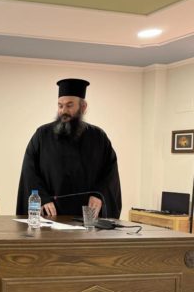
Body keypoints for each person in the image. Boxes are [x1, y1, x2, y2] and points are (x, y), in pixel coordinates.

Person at [16, 78, 121, 218]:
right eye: (60, 106)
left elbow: (110, 172)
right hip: (50, 215)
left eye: (69, 105)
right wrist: (42, 198)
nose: (63, 111)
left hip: (87, 217)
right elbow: (29, 171)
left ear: (83, 107)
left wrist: (99, 195)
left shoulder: (98, 137)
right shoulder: (42, 135)